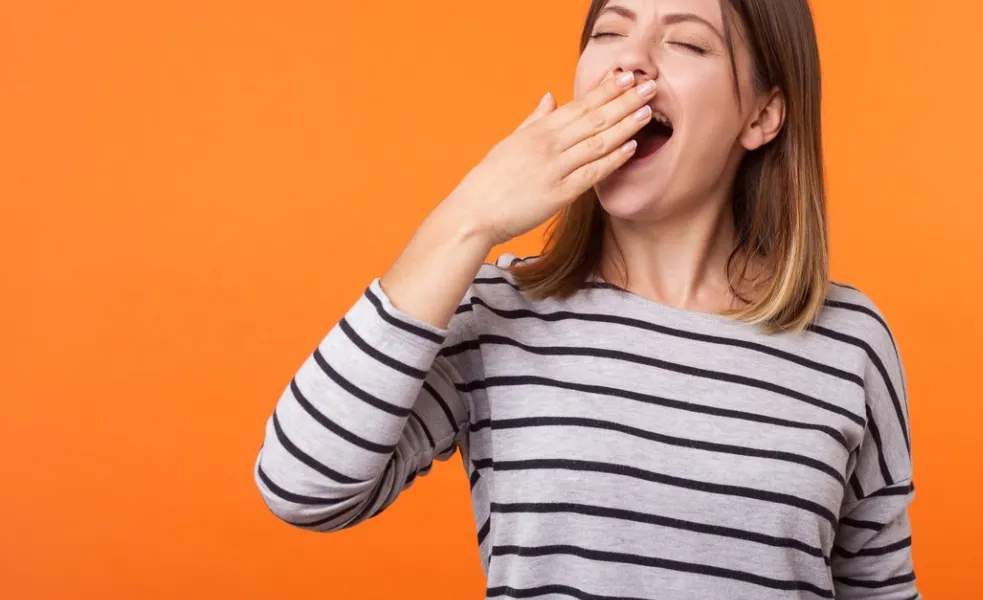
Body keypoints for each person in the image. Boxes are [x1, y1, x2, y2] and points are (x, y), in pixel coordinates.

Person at [253, 0, 919, 598]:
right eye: (608, 31)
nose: (631, 58)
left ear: (762, 114)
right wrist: (472, 216)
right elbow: (301, 485)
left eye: (687, 42)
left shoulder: (848, 341)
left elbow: (880, 590)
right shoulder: (496, 312)